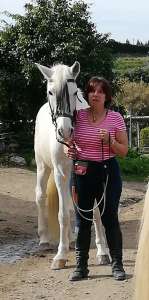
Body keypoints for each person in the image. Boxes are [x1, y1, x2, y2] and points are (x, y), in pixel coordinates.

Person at [65, 77, 128, 281]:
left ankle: (117, 265)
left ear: (106, 96)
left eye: (100, 91)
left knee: (109, 219)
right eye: (92, 91)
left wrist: (110, 141)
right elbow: (69, 140)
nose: (95, 94)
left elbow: (124, 151)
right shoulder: (78, 116)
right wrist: (69, 149)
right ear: (87, 94)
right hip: (82, 172)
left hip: (108, 172)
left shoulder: (116, 118)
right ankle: (81, 267)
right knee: (82, 220)